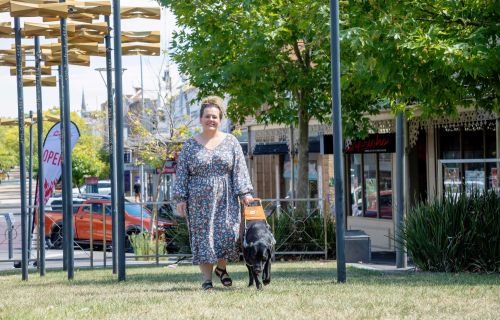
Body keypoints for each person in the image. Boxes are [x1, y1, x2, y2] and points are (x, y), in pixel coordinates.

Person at [173, 96, 254, 290]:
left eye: (215, 117)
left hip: (227, 198)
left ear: (220, 119)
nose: (211, 120)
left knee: (227, 234)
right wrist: (180, 199)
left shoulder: (231, 142)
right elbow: (182, 172)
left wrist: (245, 193)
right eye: (207, 116)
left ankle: (221, 268)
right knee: (204, 238)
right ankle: (207, 279)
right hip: (198, 200)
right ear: (200, 119)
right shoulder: (190, 145)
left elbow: (239, 169)